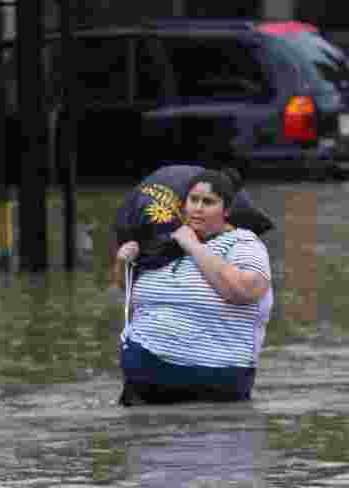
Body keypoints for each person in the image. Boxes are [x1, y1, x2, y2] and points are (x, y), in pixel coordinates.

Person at [114, 169, 272, 405]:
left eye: (208, 202)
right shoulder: (163, 245)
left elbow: (244, 291)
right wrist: (122, 261)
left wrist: (193, 246)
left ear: (227, 210)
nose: (198, 208)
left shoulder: (243, 243)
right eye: (193, 200)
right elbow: (129, 291)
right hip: (142, 385)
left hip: (215, 384)